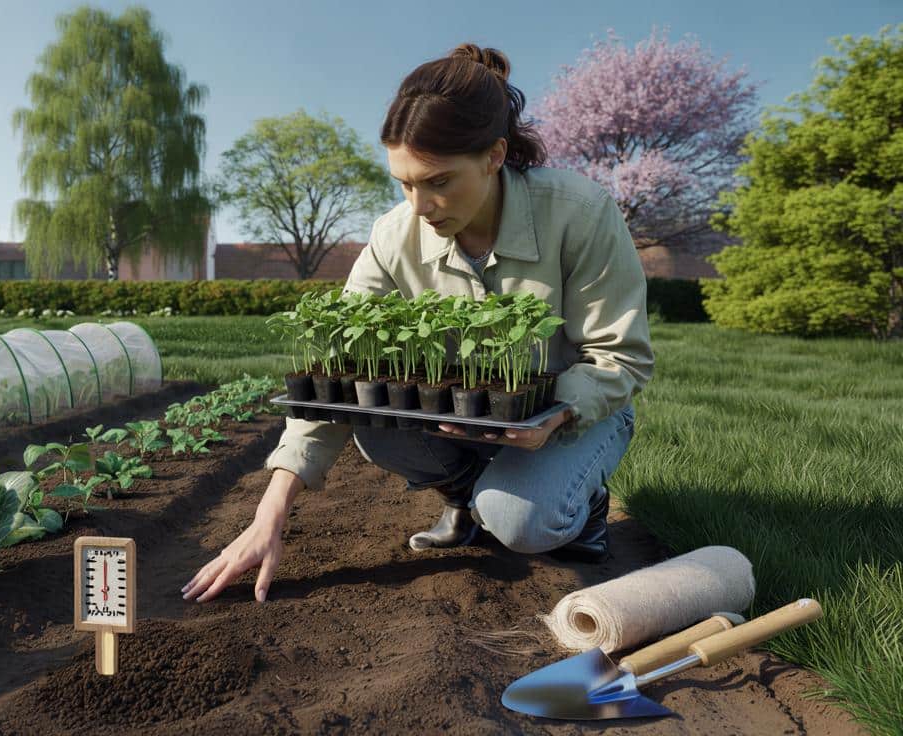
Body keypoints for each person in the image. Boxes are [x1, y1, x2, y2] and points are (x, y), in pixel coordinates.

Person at [182, 43, 654, 604]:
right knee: (373, 420)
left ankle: (578, 504)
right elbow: (340, 368)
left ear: (494, 156)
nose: (420, 204)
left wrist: (556, 414)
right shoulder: (392, 237)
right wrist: (269, 515)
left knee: (523, 525)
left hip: (576, 415)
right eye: (404, 183)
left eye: (438, 182)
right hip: (469, 418)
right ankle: (468, 500)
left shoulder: (578, 213)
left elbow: (618, 357)